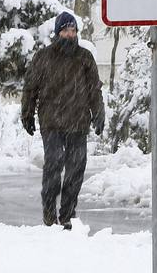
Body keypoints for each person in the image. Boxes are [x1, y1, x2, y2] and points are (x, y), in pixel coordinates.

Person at [22, 12, 104, 229]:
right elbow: (30, 88)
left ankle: (67, 215)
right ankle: (49, 215)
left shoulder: (84, 57)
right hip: (52, 124)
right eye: (66, 30)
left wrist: (99, 113)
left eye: (73, 30)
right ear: (58, 32)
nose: (70, 34)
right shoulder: (43, 57)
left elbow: (94, 89)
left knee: (76, 171)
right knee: (54, 167)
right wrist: (27, 113)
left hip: (78, 123)